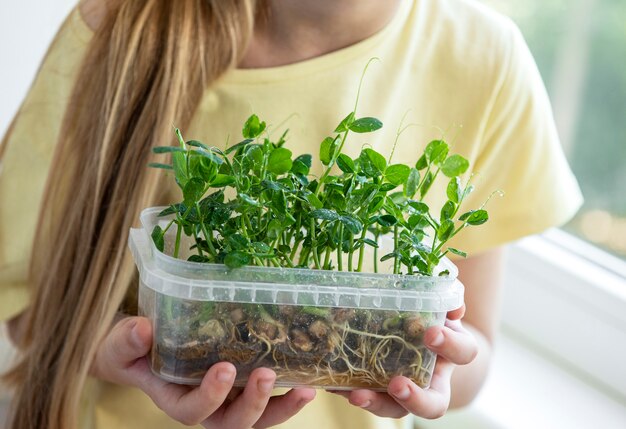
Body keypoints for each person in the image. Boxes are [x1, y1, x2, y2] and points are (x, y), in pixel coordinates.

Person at [0, 0, 582, 428]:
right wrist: (125, 352)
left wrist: (433, 366)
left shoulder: (487, 61)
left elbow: (471, 353)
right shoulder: (117, 31)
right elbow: (24, 308)